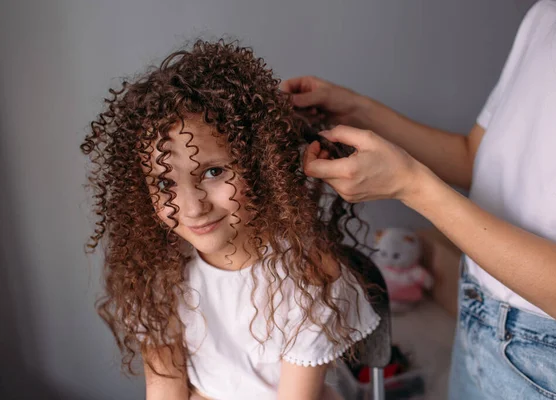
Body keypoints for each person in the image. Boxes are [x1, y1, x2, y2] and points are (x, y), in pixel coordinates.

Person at [282, 0, 556, 398]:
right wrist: (356, 109)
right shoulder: (545, 18)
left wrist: (410, 186)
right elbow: (474, 157)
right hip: (477, 309)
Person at [80, 39, 380, 400]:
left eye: (213, 172)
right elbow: (164, 387)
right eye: (164, 182)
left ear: (261, 165)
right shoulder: (159, 272)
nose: (192, 208)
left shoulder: (310, 279)